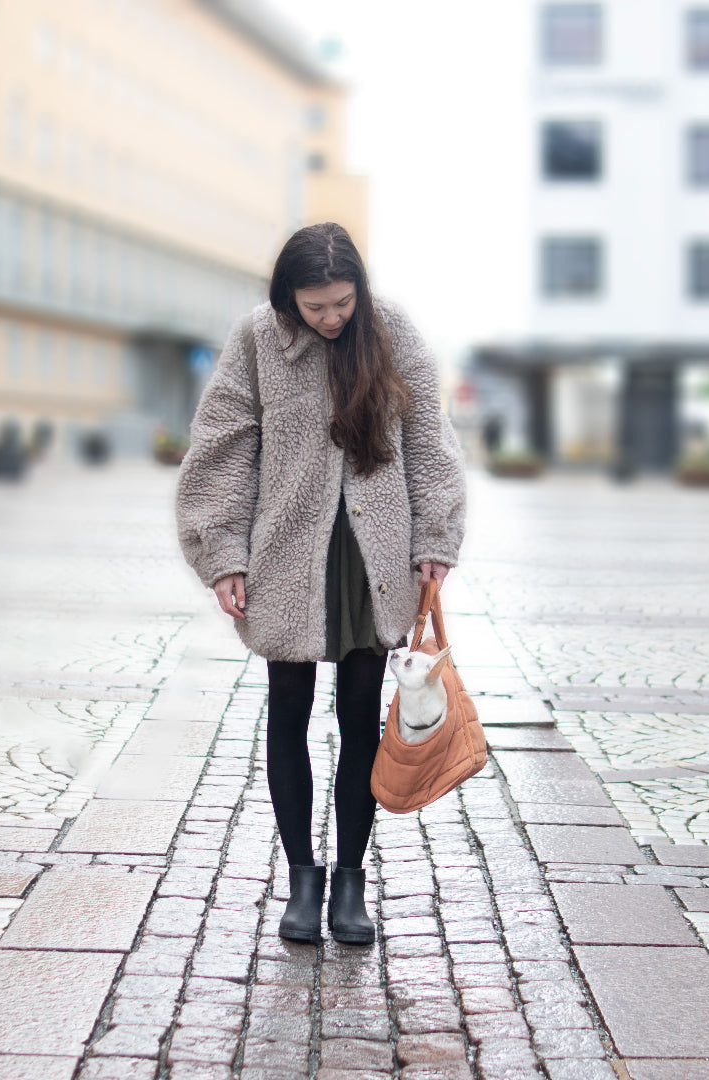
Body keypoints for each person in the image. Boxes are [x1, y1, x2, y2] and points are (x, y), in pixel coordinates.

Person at [176, 223, 466, 945]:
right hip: (287, 553)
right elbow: (222, 450)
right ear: (288, 298)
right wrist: (223, 555)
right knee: (288, 712)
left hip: (376, 556)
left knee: (361, 716)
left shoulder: (392, 332)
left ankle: (348, 886)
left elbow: (430, 442)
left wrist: (435, 536)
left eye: (341, 302)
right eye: (316, 307)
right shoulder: (257, 341)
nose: (331, 317)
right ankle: (302, 880)